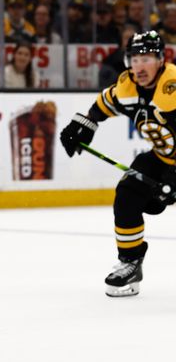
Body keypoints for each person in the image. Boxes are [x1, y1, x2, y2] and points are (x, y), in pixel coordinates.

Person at [60, 30, 176, 297]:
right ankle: (130, 263)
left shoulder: (173, 86)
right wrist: (83, 125)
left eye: (146, 58)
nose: (139, 65)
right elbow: (104, 104)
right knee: (127, 195)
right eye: (134, 59)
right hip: (162, 157)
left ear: (160, 59)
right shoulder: (128, 86)